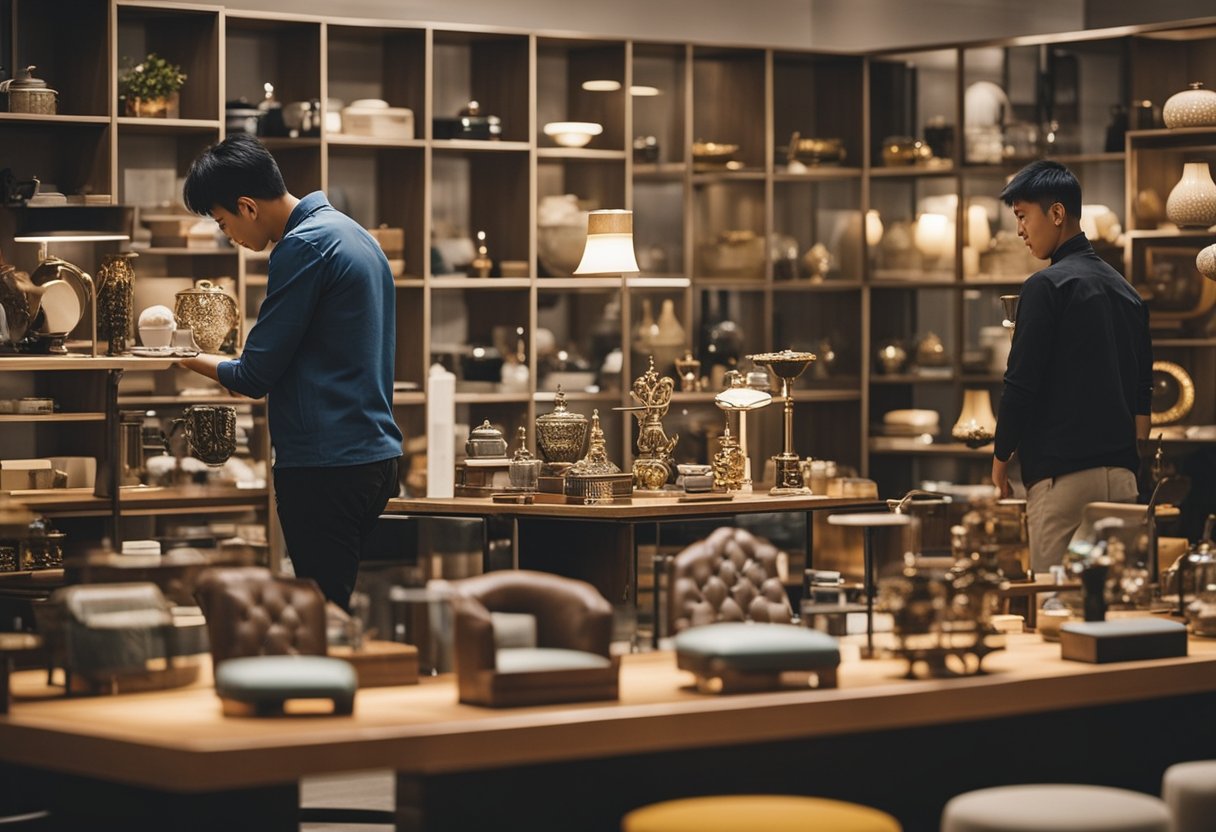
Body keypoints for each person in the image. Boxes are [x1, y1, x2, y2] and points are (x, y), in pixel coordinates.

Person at [180, 133, 403, 611]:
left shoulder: (303, 247)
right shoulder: (352, 232)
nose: (230, 238)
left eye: (224, 223)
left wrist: (179, 355)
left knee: (322, 614)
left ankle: (325, 687)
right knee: (333, 607)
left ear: (247, 206)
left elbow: (253, 376)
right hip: (375, 458)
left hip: (327, 467)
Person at [991, 160, 1152, 573]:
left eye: (1024, 216)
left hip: (1063, 480)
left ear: (1057, 213)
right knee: (1114, 608)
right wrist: (1126, 463)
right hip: (1122, 481)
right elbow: (1142, 398)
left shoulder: (1045, 287)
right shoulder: (1128, 293)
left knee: (1054, 609)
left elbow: (1020, 385)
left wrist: (1000, 458)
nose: (1020, 230)